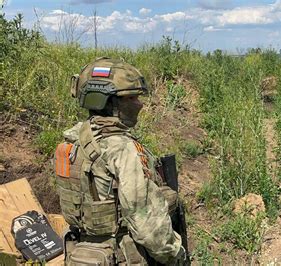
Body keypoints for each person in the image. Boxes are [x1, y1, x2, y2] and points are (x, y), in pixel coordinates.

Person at [54, 57, 185, 265]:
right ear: (109, 101)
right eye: (131, 98)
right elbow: (146, 223)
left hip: (80, 254)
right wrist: (175, 254)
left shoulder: (72, 139)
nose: (140, 104)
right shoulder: (121, 149)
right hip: (120, 254)